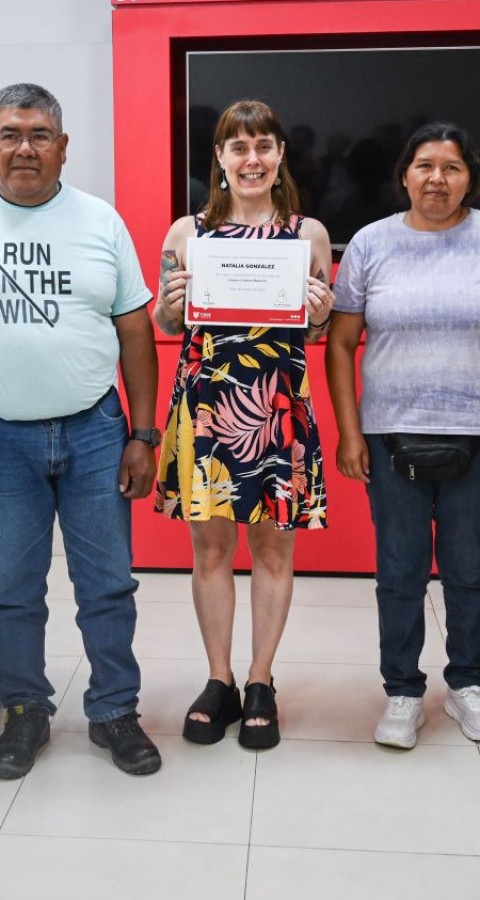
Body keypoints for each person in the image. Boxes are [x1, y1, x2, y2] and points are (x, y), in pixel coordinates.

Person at [0, 83, 162, 778]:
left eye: (39, 134)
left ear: (63, 146)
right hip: (1, 443)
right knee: (15, 589)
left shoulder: (101, 221)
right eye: (10, 134)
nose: (25, 147)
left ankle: (115, 709)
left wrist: (143, 433)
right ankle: (26, 711)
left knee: (108, 584)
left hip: (94, 432)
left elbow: (135, 327)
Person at [325, 122, 480, 749]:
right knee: (400, 568)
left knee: (470, 567)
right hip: (390, 432)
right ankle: (402, 692)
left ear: (470, 175)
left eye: (451, 167)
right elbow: (340, 341)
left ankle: (468, 684)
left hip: (479, 430)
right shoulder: (370, 242)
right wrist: (351, 430)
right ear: (404, 175)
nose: (437, 178)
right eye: (424, 166)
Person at [153, 99, 334, 750]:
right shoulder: (186, 234)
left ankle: (261, 681)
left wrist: (320, 308)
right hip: (205, 408)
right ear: (221, 159)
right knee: (208, 551)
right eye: (238, 147)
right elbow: (170, 328)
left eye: (263, 146)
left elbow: (314, 332)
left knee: (272, 551)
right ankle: (219, 678)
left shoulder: (307, 234)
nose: (251, 158)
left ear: (280, 154)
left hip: (276, 408)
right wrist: (170, 306)